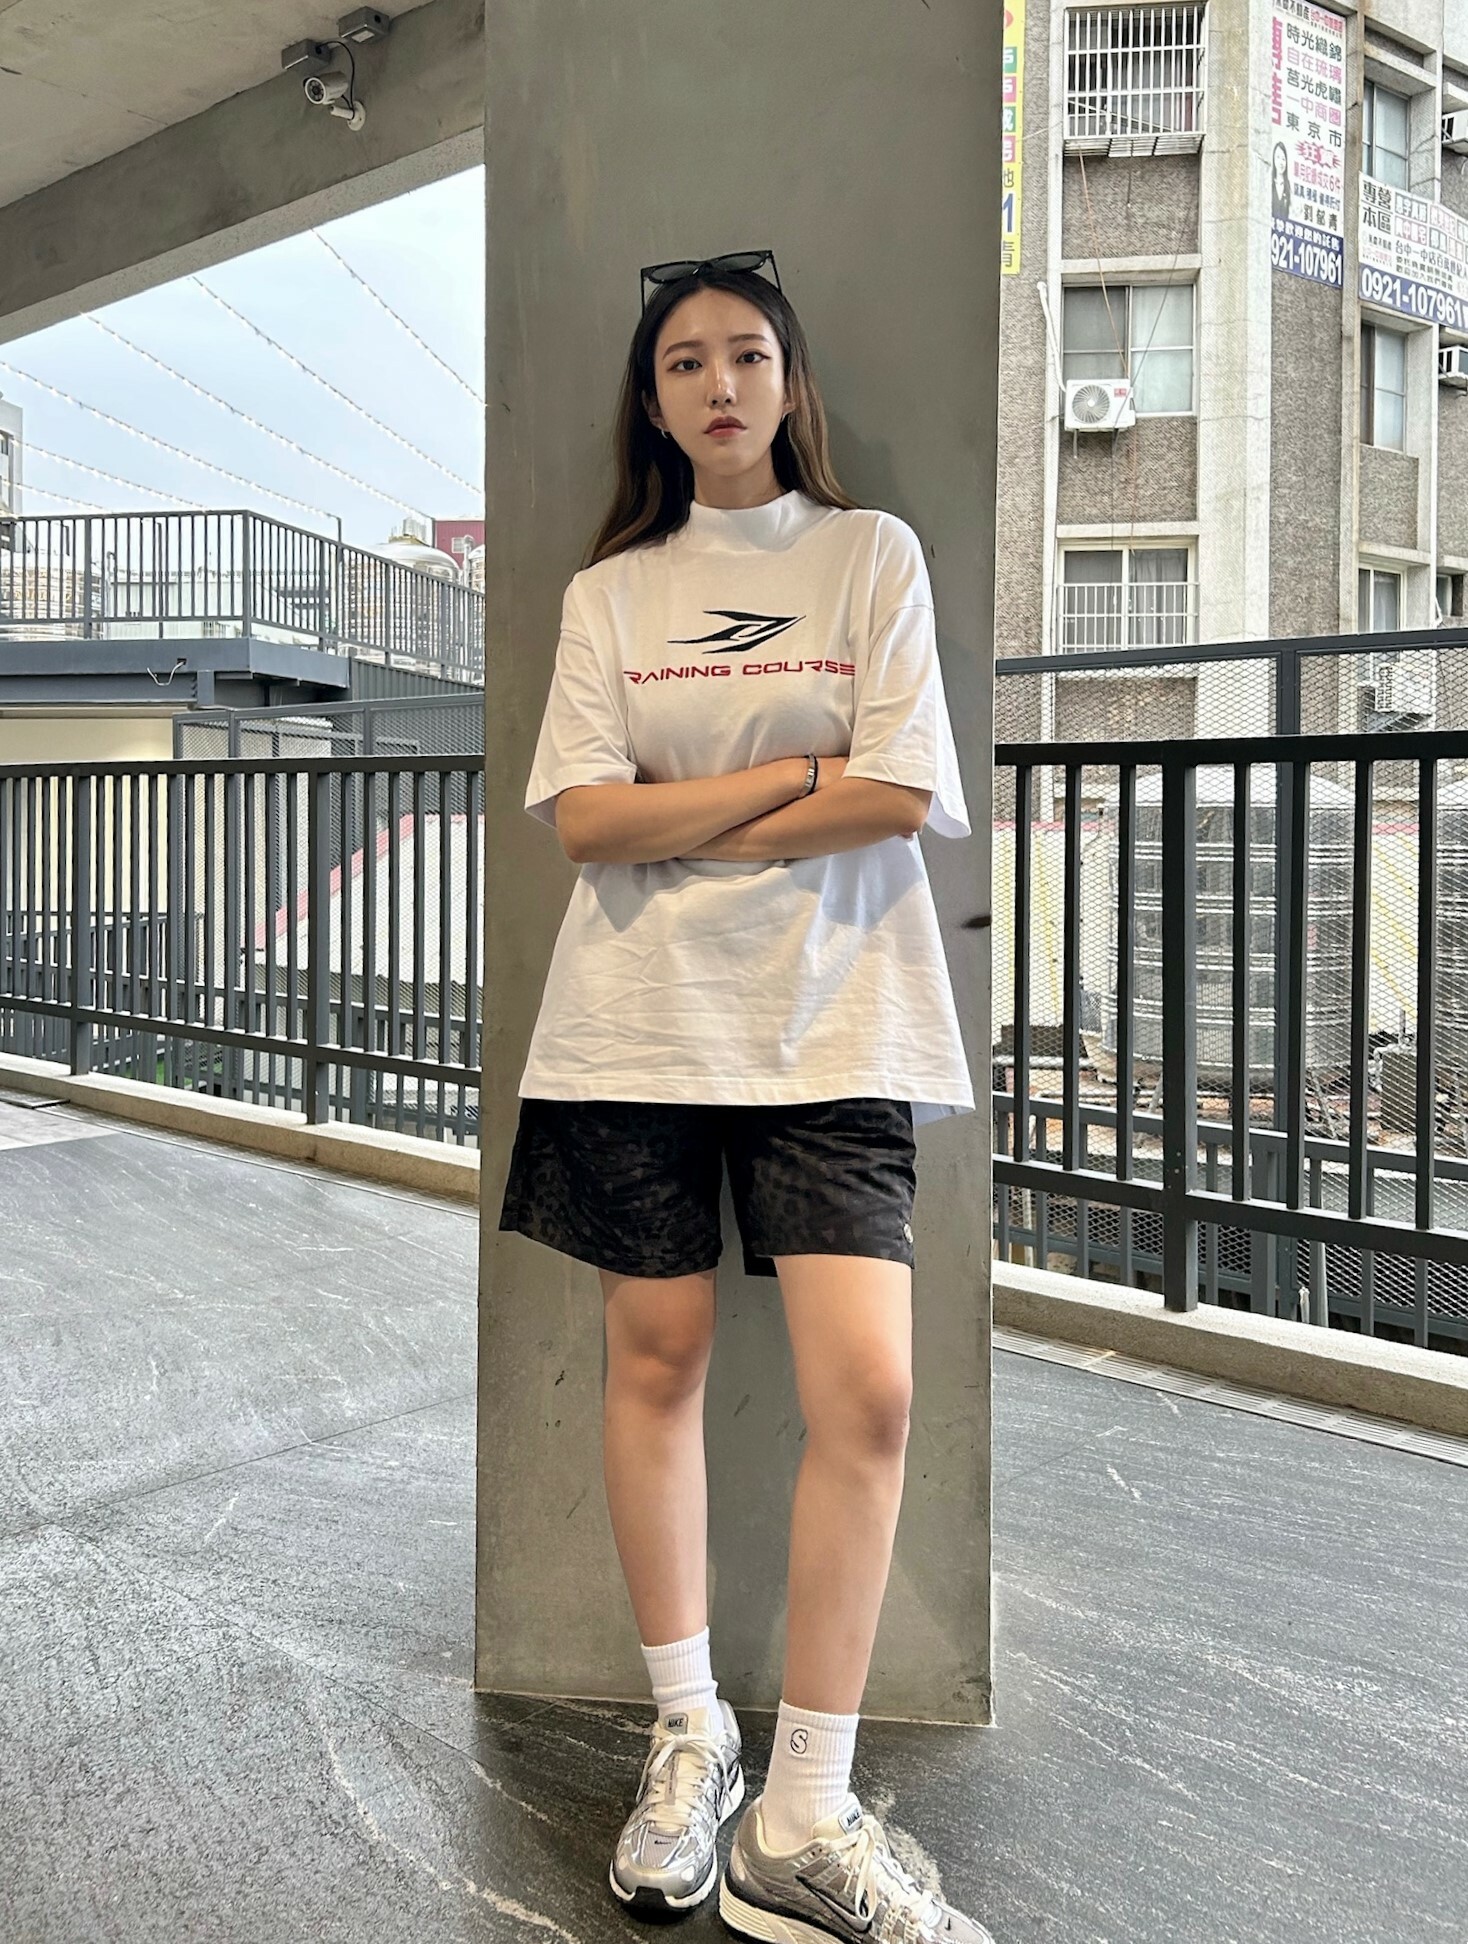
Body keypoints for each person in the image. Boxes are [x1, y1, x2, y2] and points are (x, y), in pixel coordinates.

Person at [497, 248, 996, 1944]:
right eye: (685, 363)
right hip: (635, 1022)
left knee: (869, 1394)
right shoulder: (612, 593)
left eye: (747, 356)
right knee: (655, 1361)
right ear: (652, 403)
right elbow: (585, 823)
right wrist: (798, 770)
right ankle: (690, 1729)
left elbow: (899, 792)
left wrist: (693, 807)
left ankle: (803, 1813)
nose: (719, 384)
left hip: (840, 1016)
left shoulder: (869, 555)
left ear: (790, 384)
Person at [1272, 142, 1292, 222]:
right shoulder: (1269, 183)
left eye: (1283, 159)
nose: (1281, 162)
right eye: (1278, 157)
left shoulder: (1288, 187)